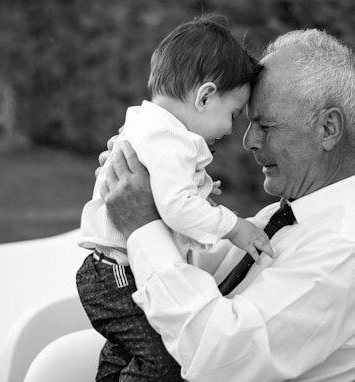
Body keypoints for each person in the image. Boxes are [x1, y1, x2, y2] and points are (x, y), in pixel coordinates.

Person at [99, 28, 355, 381]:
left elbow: (222, 357)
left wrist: (143, 226)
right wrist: (145, 182)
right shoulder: (282, 217)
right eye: (247, 121)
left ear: (328, 128)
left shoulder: (342, 249)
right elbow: (198, 269)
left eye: (265, 125)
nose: (249, 141)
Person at [76, 13, 274, 382]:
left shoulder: (148, 124)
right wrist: (234, 227)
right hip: (119, 275)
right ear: (205, 96)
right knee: (167, 359)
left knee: (127, 353)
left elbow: (168, 195)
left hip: (109, 273)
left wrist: (198, 190)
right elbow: (177, 209)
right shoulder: (171, 140)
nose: (232, 129)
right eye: (232, 114)